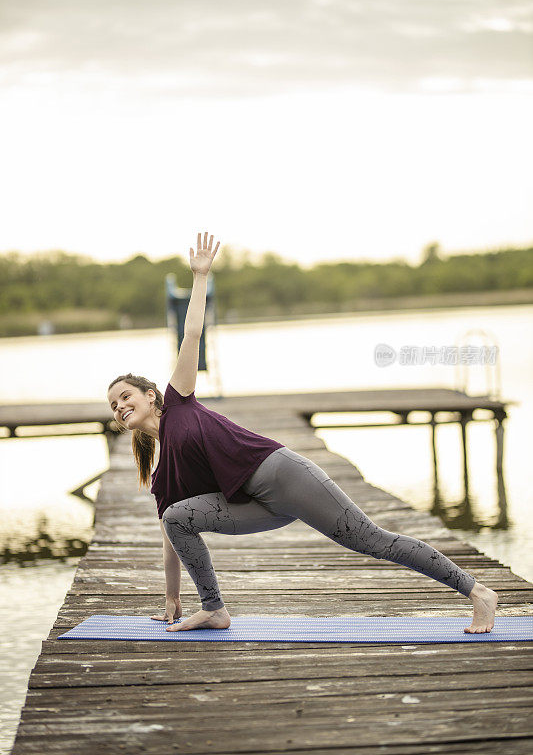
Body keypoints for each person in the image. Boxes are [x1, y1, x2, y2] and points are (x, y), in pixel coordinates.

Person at [107, 231, 498, 635]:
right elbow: (170, 539)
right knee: (176, 516)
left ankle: (477, 593)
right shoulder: (163, 473)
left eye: (124, 396)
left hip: (283, 476)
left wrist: (201, 277)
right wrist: (171, 598)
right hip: (257, 507)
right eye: (114, 406)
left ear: (150, 395)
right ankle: (214, 610)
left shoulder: (180, 399)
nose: (120, 407)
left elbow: (191, 334)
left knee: (372, 540)